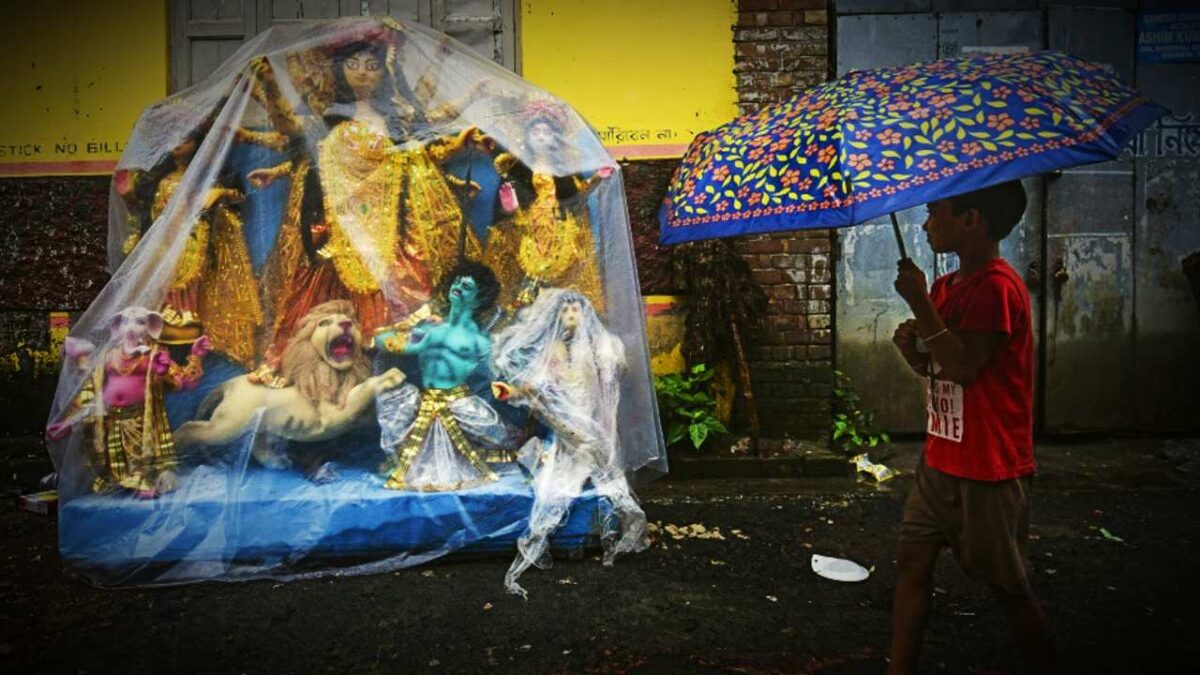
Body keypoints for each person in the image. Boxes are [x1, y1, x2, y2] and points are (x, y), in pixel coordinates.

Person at [888, 179, 1053, 674]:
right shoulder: (945, 287)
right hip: (940, 460)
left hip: (988, 468)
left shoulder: (998, 288)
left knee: (1009, 588)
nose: (924, 223)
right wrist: (911, 350)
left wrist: (919, 304)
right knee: (912, 565)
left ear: (971, 219)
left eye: (935, 211)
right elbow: (941, 370)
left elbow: (965, 367)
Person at [374, 260, 517, 491]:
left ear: (479, 298)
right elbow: (386, 342)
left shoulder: (480, 342)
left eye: (467, 286)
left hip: (460, 405)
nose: (458, 286)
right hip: (425, 402)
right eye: (457, 281)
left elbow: (499, 376)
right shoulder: (430, 328)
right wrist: (413, 321)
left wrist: (524, 391)